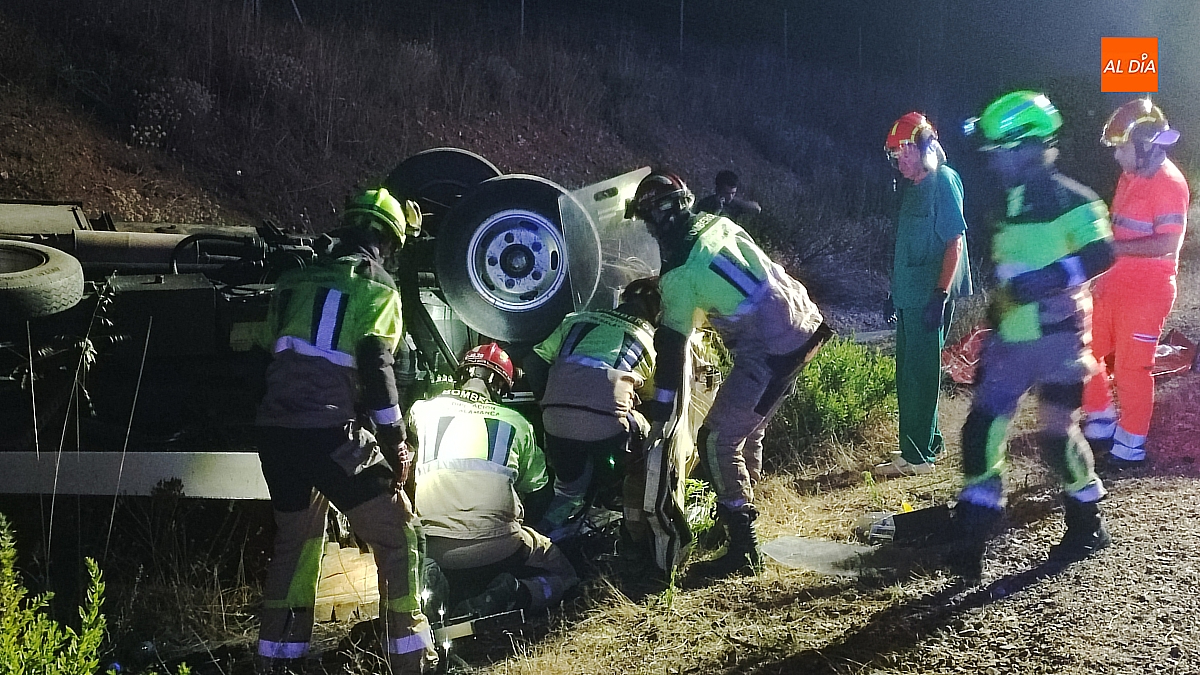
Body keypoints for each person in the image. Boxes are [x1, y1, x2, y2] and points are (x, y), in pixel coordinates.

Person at [254, 188, 434, 674]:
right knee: (401, 534)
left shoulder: (293, 279)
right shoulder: (376, 287)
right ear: (389, 241)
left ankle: (278, 660)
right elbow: (377, 365)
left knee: (298, 540)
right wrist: (396, 440)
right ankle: (410, 658)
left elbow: (270, 347)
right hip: (329, 431)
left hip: (275, 432)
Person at [625, 172, 830, 578]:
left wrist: (662, 411)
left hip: (772, 349)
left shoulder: (679, 275)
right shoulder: (715, 223)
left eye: (648, 224)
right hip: (806, 325)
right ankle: (737, 516)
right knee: (747, 430)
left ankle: (744, 548)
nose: (649, 233)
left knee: (717, 438)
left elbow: (671, 346)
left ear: (660, 219)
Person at [954, 91, 1116, 578]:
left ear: (1028, 146)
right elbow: (1007, 280)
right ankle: (974, 532)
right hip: (1011, 340)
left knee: (1053, 436)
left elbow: (1102, 252)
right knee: (980, 429)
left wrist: (1050, 277)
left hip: (1061, 339)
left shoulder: (1074, 198)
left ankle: (1088, 519)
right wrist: (992, 330)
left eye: (999, 151)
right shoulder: (1006, 205)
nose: (992, 161)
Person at [408, 344, 579, 618]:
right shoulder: (517, 423)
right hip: (499, 547)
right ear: (500, 388)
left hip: (434, 547)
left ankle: (431, 584)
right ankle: (514, 593)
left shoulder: (425, 410)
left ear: (462, 374)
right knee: (565, 573)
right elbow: (536, 490)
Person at [1082, 99, 1189, 464]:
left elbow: (1167, 243)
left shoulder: (1170, 184)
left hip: (1148, 291)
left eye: (1122, 148)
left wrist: (1114, 248)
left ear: (1144, 144)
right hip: (1114, 283)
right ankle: (1100, 422)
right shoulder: (1129, 176)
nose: (1117, 157)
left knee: (1132, 368)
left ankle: (1130, 445)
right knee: (1085, 351)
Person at [524, 278, 661, 548]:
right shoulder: (653, 340)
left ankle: (536, 542)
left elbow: (533, 361)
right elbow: (655, 400)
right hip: (608, 427)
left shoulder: (576, 320)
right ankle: (634, 534)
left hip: (555, 420)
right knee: (650, 445)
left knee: (568, 490)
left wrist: (547, 400)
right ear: (657, 310)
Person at [875, 112, 973, 478]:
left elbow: (954, 242)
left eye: (904, 152)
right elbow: (908, 247)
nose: (899, 160)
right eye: (895, 154)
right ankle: (925, 444)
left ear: (924, 146)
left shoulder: (944, 181)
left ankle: (916, 459)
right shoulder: (913, 189)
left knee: (919, 374)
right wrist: (893, 292)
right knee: (909, 372)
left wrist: (939, 294)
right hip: (909, 295)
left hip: (927, 297)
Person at [695, 170, 762, 222]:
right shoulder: (704, 204)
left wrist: (740, 203)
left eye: (733, 193)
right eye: (726, 193)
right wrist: (717, 209)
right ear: (718, 190)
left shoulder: (734, 204)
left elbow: (757, 209)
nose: (730, 197)